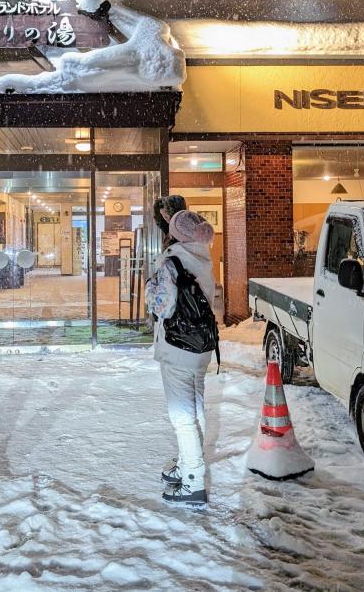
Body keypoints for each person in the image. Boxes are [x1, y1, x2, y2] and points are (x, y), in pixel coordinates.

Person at [146, 207, 217, 506]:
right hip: (200, 347)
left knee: (182, 417)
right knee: (195, 407)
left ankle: (192, 481)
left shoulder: (172, 261)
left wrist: (150, 287)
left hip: (177, 347)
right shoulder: (203, 258)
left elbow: (162, 305)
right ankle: (187, 464)